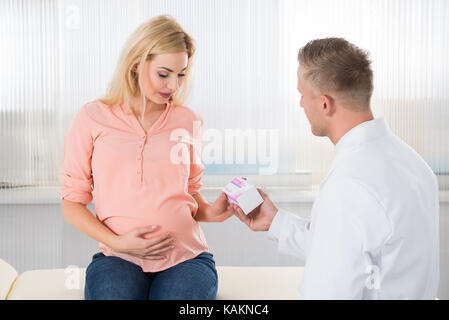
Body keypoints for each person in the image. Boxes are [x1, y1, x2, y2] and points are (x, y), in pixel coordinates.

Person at [232, 38, 440, 299]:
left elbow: (327, 291)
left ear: (324, 104)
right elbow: (349, 249)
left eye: (302, 95)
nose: (300, 105)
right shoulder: (412, 163)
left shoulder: (350, 184)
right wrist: (275, 221)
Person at [60, 15, 233, 300]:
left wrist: (213, 212)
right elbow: (71, 204)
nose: (173, 86)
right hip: (118, 257)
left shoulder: (188, 121)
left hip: (186, 258)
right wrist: (119, 242)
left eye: (181, 74)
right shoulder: (92, 117)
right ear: (136, 63)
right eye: (164, 74)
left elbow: (190, 195)